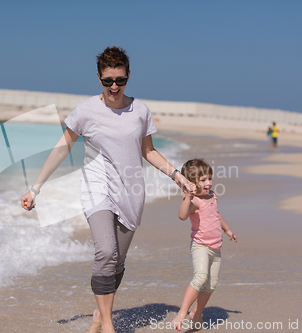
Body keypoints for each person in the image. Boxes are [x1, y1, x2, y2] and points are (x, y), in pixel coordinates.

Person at [20, 46, 194, 333]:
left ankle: (100, 315)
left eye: (120, 80)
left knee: (117, 262)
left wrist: (176, 175)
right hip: (97, 187)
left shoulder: (140, 110)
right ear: (98, 77)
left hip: (131, 191)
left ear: (128, 77)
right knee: (106, 252)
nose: (114, 86)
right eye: (107, 80)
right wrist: (35, 188)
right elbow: (62, 148)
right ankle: (109, 326)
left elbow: (148, 151)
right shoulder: (86, 110)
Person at [171, 159, 237, 331]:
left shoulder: (212, 196)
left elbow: (216, 214)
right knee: (200, 277)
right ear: (192, 183)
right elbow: (182, 215)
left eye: (209, 178)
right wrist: (187, 197)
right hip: (200, 247)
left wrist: (227, 229)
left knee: (210, 285)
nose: (208, 183)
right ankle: (182, 313)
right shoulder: (194, 202)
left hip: (216, 248)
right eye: (203, 180)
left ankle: (197, 313)